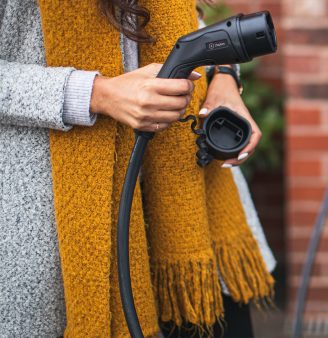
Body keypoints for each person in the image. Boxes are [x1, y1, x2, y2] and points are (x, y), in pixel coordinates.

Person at [0, 0, 276, 337]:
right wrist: (96, 93)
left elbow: (192, 17)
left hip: (191, 212)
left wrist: (224, 79)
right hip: (61, 225)